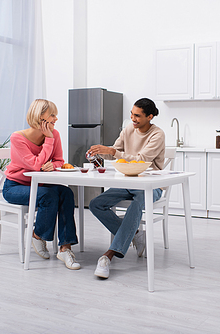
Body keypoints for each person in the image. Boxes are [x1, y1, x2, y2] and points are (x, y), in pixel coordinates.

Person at [87, 98, 165, 278]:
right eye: (131, 114)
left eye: (137, 116)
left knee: (136, 205)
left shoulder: (157, 134)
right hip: (128, 181)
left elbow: (141, 159)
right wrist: (100, 154)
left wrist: (113, 152)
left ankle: (109, 256)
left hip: (151, 185)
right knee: (96, 204)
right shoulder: (129, 129)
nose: (133, 118)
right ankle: (135, 234)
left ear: (150, 117)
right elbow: (116, 154)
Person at [2, 99, 80, 270]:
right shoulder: (18, 138)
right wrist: (49, 140)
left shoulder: (55, 134)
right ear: (39, 116)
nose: (56, 119)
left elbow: (59, 160)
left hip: (41, 185)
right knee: (49, 196)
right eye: (52, 115)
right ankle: (38, 236)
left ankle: (65, 248)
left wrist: (54, 165)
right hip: (15, 187)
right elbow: (36, 165)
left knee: (66, 193)